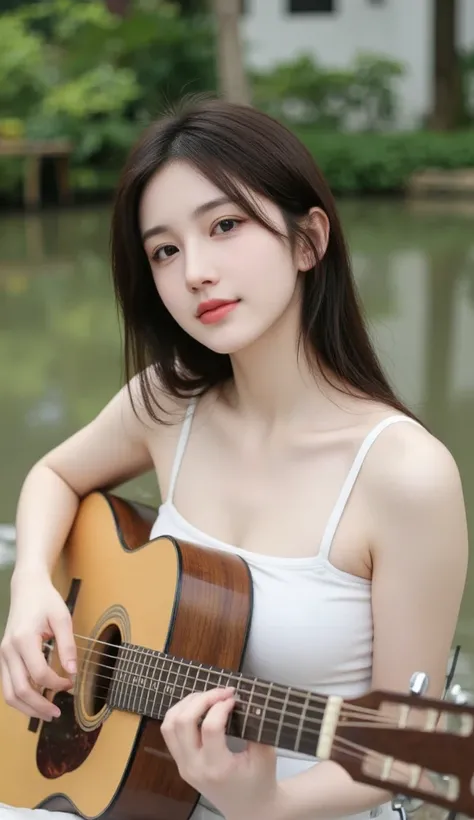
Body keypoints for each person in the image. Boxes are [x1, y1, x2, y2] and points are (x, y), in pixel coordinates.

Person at [0, 96, 469, 820]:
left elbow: (415, 754)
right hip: (137, 792)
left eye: (224, 226)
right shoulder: (169, 403)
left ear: (308, 240)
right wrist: (30, 584)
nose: (195, 272)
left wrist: (269, 804)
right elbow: (53, 474)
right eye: (165, 250)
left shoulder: (404, 475)